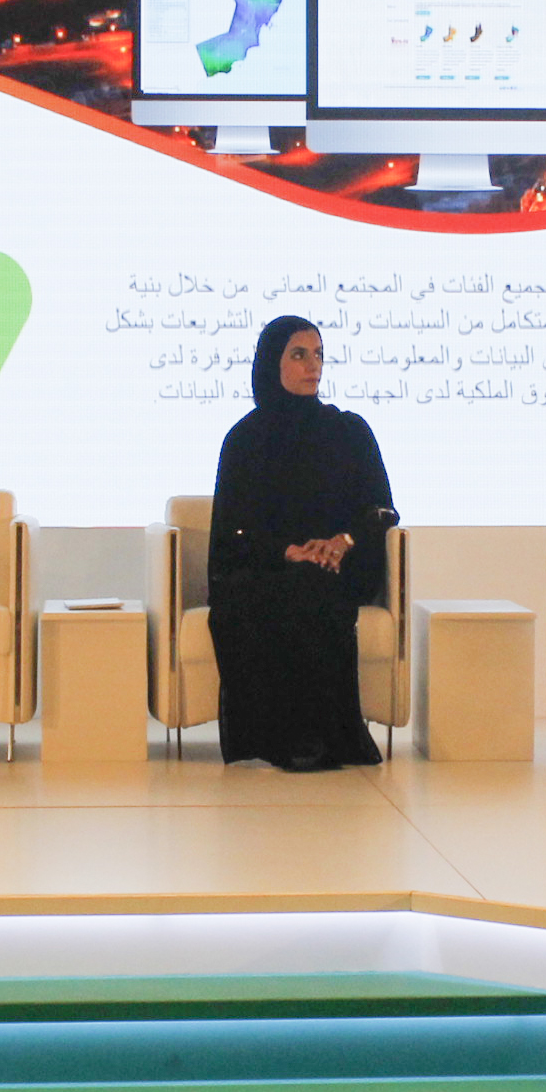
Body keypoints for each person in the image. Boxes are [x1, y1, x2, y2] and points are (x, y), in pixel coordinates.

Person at [207, 317, 398, 771]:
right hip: (267, 564)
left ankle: (320, 737)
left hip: (341, 562)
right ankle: (290, 739)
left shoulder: (349, 431)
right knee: (280, 591)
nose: (313, 366)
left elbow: (383, 509)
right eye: (299, 354)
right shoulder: (245, 439)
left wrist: (343, 541)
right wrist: (287, 551)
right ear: (271, 363)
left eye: (318, 355)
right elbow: (234, 529)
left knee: (314, 584)